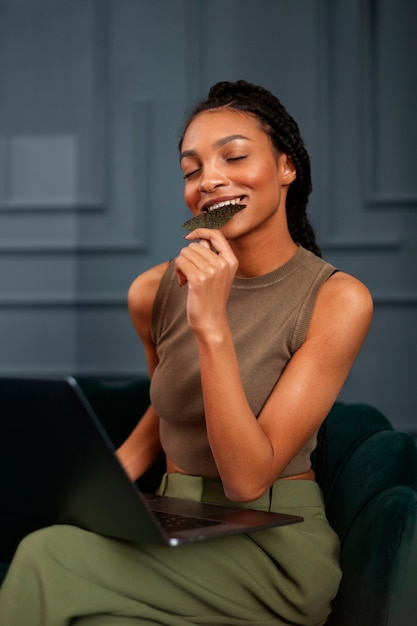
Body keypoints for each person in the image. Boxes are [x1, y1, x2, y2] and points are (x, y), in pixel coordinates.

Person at [0, 80, 373, 625]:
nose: (210, 180)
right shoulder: (152, 291)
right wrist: (102, 484)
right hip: (175, 521)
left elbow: (249, 480)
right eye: (191, 170)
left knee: (44, 555)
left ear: (286, 167)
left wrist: (211, 324)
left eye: (235, 156)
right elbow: (168, 406)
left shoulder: (338, 300)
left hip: (271, 545)